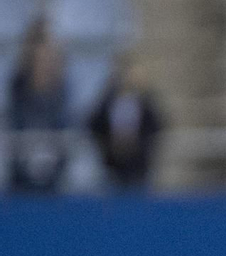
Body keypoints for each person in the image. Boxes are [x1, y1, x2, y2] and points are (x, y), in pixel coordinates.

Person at [88, 54, 165, 190]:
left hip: (139, 167)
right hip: (112, 167)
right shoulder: (107, 101)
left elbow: (157, 125)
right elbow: (93, 125)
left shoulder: (145, 102)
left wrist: (137, 143)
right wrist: (109, 143)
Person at [8, 31, 70, 193]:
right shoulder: (18, 89)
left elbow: (63, 125)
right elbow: (17, 123)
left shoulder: (62, 91)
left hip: (54, 168)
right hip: (22, 167)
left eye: (47, 60)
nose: (43, 64)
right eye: (39, 60)